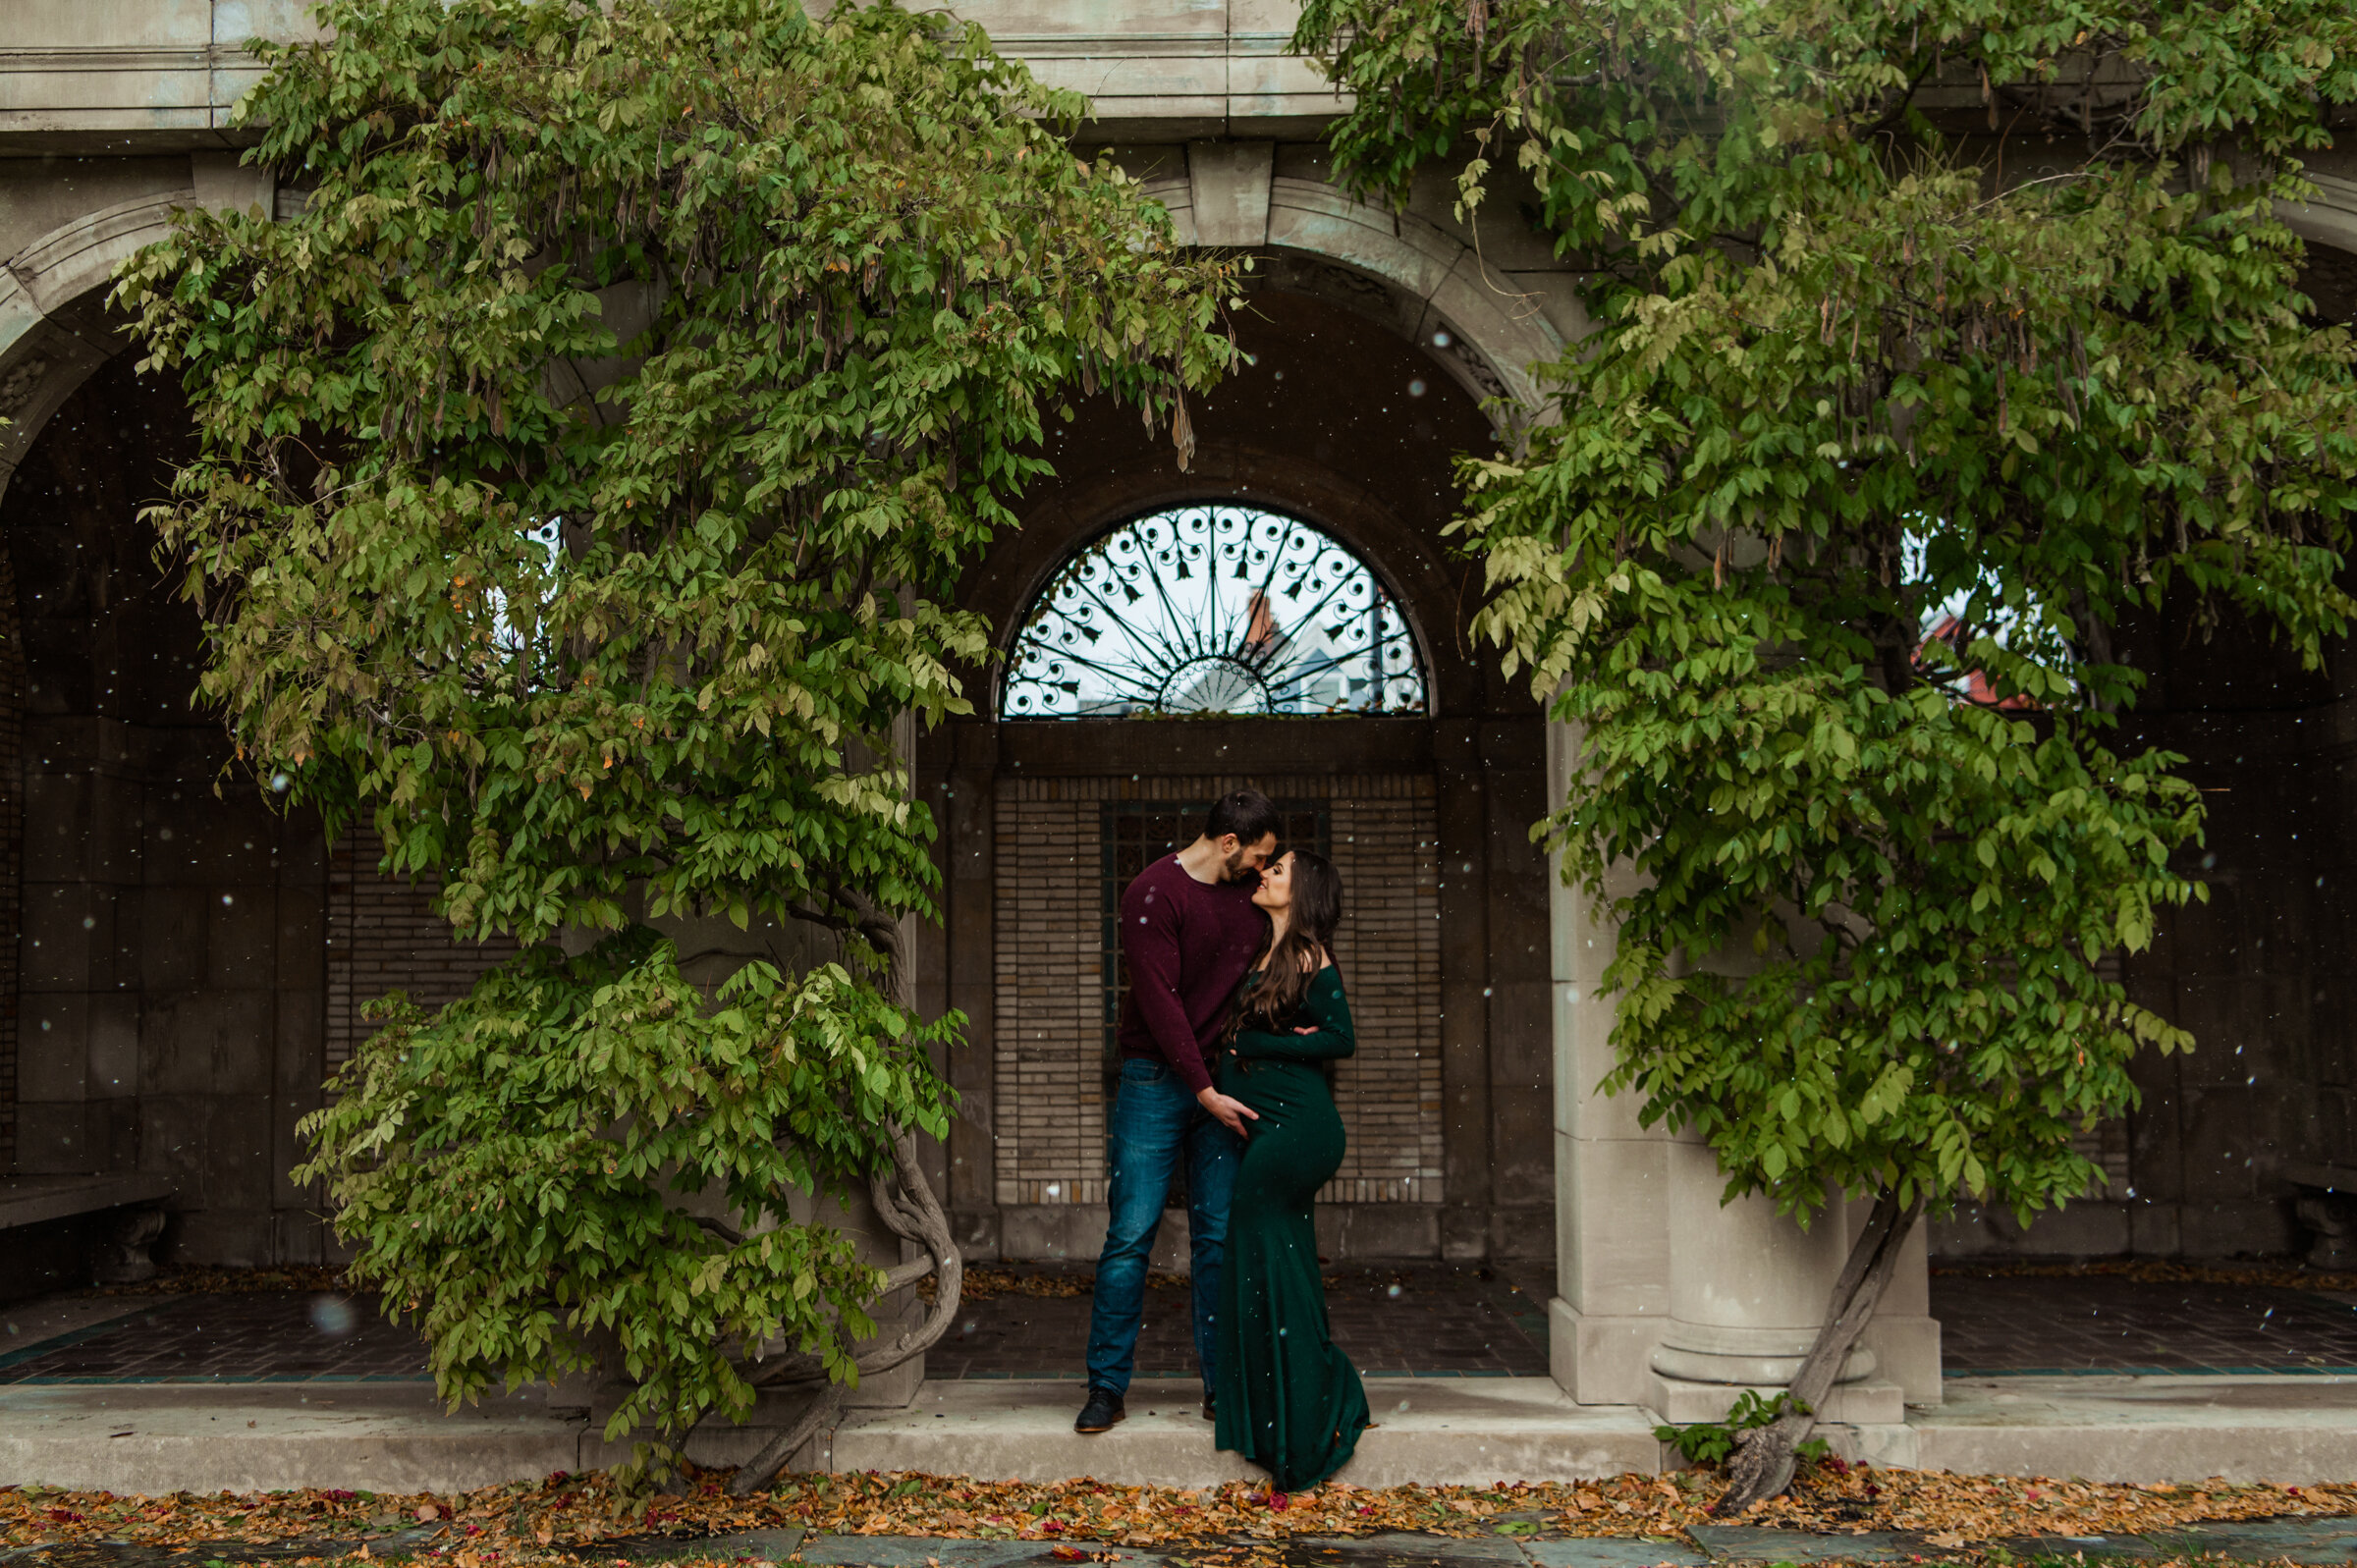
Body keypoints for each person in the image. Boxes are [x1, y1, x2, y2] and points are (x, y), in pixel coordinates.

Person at [1073, 789, 1285, 1435]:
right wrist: (1201, 1089)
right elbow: (1161, 1004)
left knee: (1218, 1239)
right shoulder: (1152, 893)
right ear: (1228, 842)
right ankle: (1106, 1387)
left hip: (1221, 1082)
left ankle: (1223, 1387)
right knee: (1130, 1237)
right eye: (1258, 853)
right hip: (1154, 1080)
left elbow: (1274, 974)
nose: (1261, 866)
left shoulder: (1251, 902)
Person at [1212, 848, 1369, 1494]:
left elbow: (1341, 1038)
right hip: (1275, 1128)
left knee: (1260, 1256)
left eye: (1279, 871)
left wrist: (1256, 1044)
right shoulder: (1267, 951)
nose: (1267, 873)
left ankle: (1302, 1416)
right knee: (1277, 1263)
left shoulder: (1311, 956)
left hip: (1299, 1131)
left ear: (1299, 892)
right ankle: (1287, 1411)